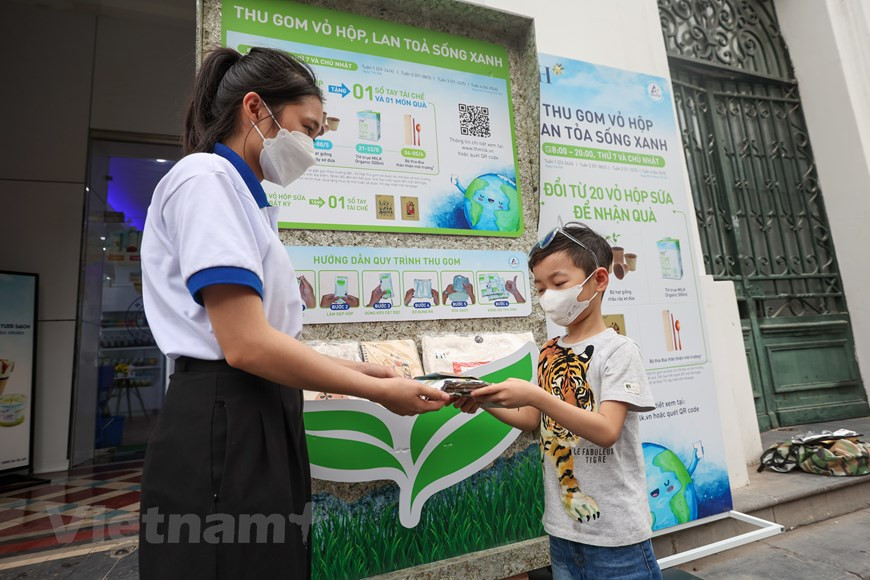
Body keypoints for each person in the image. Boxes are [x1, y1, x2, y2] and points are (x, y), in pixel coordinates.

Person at [138, 47, 449, 579]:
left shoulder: (244, 196)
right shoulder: (206, 179)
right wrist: (377, 392)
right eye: (307, 128)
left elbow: (265, 339)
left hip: (255, 410)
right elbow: (245, 345)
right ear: (256, 109)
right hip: (225, 418)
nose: (312, 145)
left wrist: (359, 370)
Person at [457, 222, 661, 580]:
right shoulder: (549, 351)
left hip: (617, 538)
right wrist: (485, 399)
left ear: (598, 280)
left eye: (559, 283)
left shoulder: (619, 351)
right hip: (562, 531)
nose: (548, 295)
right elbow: (534, 420)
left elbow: (607, 430)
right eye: (540, 287)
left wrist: (535, 394)